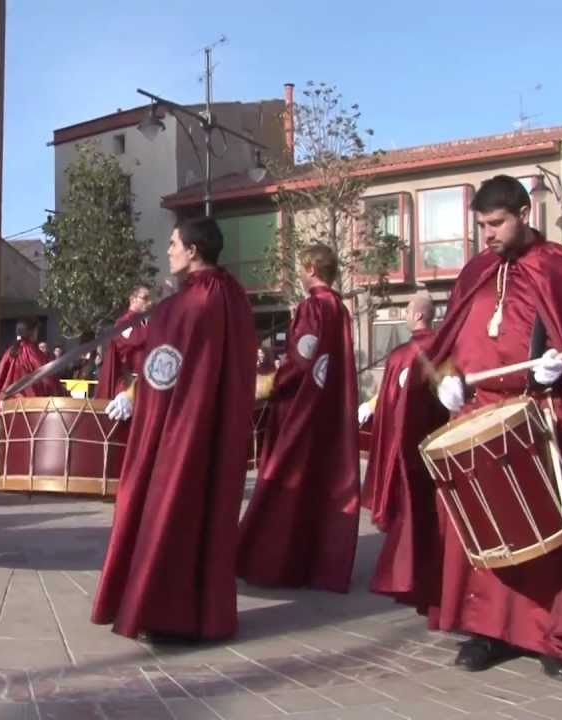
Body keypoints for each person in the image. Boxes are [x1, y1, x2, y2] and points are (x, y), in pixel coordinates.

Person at [374, 176, 562, 681]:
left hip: (538, 413)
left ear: (525, 214)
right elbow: (447, 347)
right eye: (481, 224)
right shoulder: (476, 272)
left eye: (496, 223)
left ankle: (554, 637)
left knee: (548, 536)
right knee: (474, 538)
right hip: (474, 414)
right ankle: (488, 632)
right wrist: (443, 383)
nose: (487, 234)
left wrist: (560, 372)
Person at [91, 216, 256, 641]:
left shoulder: (187, 306)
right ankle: (202, 614)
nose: (168, 251)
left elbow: (164, 370)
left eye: (172, 243)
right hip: (218, 427)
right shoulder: (233, 296)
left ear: (193, 251)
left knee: (168, 508)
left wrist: (135, 394)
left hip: (181, 428)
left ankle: (164, 613)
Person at [237, 244, 360, 591]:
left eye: (300, 268)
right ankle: (316, 562)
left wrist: (273, 382)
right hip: (328, 408)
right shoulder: (340, 309)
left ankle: (274, 562)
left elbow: (302, 360)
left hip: (300, 409)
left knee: (285, 483)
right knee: (318, 485)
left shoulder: (313, 307)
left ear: (310, 268)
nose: (298, 274)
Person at [360, 292, 449, 608]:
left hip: (408, 445)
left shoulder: (404, 354)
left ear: (418, 315)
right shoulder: (445, 347)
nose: (408, 315)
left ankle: (408, 575)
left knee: (412, 511)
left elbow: (394, 402)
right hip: (439, 442)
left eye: (409, 310)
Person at [0, 319, 62, 482]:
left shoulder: (10, 351)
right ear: (31, 332)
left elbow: (1, 378)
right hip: (29, 404)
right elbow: (46, 376)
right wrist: (59, 392)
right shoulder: (31, 351)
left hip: (9, 404)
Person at [96, 285, 153, 399]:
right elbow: (136, 339)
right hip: (129, 384)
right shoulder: (123, 322)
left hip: (146, 383)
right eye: (145, 298)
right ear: (133, 299)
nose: (149, 302)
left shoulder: (144, 323)